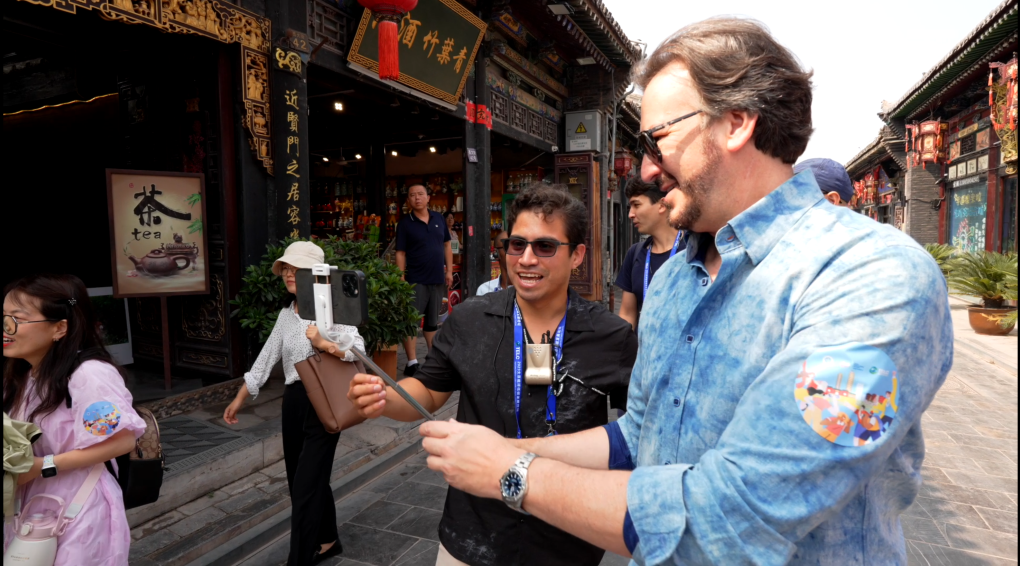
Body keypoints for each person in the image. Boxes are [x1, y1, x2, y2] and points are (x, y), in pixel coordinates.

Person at [416, 17, 952, 566]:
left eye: (658, 139)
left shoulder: (871, 278)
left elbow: (733, 519)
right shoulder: (674, 277)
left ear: (736, 123)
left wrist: (511, 472)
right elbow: (639, 436)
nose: (647, 168)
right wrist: (512, 447)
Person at [348, 184, 637, 566]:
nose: (527, 259)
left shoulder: (611, 336)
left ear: (577, 255)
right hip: (472, 535)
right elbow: (428, 391)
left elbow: (637, 433)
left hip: (567, 538)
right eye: (517, 245)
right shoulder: (470, 319)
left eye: (545, 247)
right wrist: (385, 397)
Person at [223, 241, 364, 566]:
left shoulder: (332, 310)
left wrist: (324, 342)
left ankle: (298, 559)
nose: (288, 273)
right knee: (302, 479)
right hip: (295, 402)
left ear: (316, 274)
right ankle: (329, 540)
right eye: (286, 268)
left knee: (304, 488)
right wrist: (240, 397)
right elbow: (266, 357)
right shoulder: (287, 314)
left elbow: (358, 349)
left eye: (296, 268)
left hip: (326, 403)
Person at [3, 274, 146, 566]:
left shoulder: (88, 376)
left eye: (17, 319)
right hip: (31, 502)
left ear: (59, 327)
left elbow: (121, 441)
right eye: (4, 318)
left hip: (79, 504)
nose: (6, 328)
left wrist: (43, 466)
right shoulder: (23, 376)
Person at [396, 185, 454, 377]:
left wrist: (449, 271)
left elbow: (447, 245)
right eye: (412, 195)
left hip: (437, 278)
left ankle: (432, 358)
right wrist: (401, 278)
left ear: (428, 198)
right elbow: (400, 253)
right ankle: (412, 362)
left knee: (432, 322)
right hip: (415, 280)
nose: (417, 198)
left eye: (421, 194)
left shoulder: (438, 218)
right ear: (408, 200)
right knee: (412, 322)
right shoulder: (405, 224)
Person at [615, 178, 683, 329]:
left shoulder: (693, 251)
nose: (631, 214)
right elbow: (627, 314)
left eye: (636, 205)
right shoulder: (635, 253)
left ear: (662, 205)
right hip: (643, 343)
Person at [476, 229, 509, 296]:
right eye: (507, 246)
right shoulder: (485, 290)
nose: (513, 252)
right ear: (496, 253)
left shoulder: (528, 289)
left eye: (518, 246)